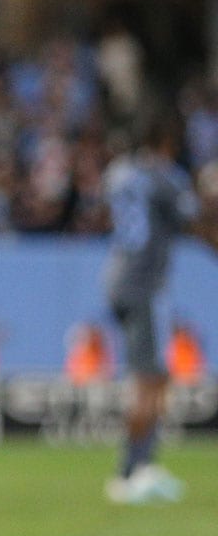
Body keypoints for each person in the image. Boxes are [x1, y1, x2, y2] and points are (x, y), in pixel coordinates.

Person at [102, 117, 218, 504]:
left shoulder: (118, 174)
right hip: (146, 284)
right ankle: (134, 470)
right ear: (166, 141)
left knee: (150, 375)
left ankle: (138, 467)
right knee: (151, 379)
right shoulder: (165, 177)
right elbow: (194, 222)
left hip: (117, 278)